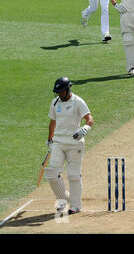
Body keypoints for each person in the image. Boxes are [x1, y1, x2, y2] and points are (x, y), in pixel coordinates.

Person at [45, 77, 94, 215]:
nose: (59, 94)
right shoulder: (55, 102)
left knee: (73, 175)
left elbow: (90, 119)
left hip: (75, 143)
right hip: (58, 142)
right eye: (58, 92)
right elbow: (52, 122)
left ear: (68, 89)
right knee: (51, 174)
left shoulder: (78, 102)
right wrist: (49, 140)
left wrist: (85, 129)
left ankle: (76, 205)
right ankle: (64, 198)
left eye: (61, 91)